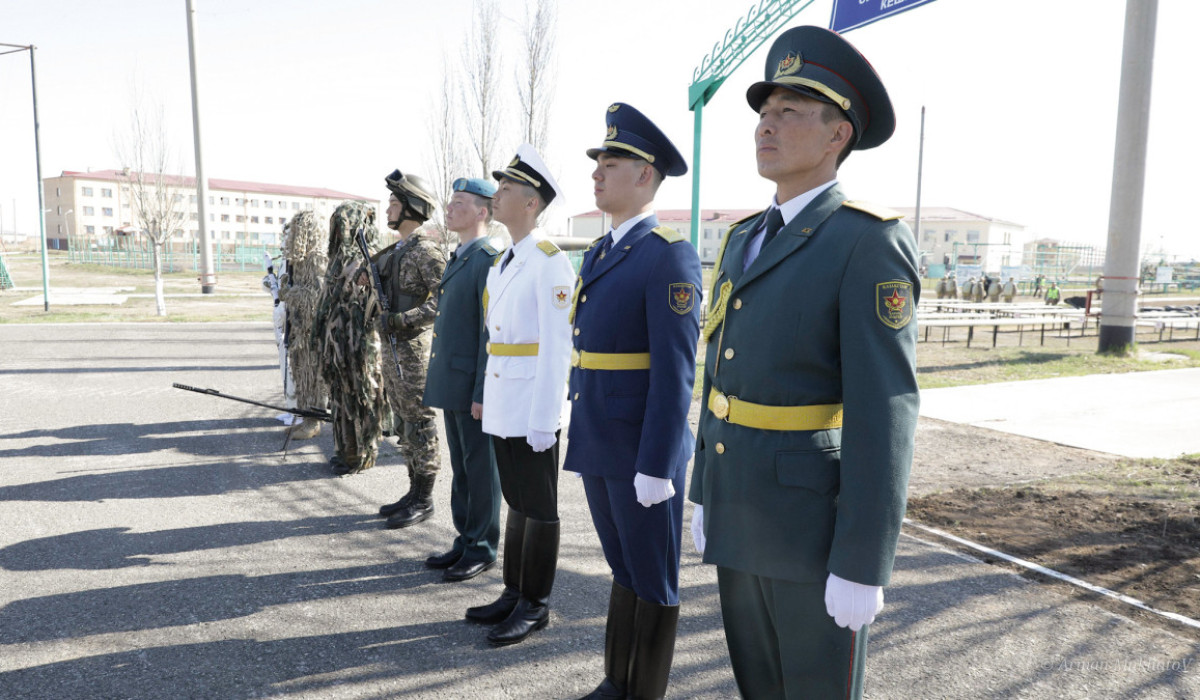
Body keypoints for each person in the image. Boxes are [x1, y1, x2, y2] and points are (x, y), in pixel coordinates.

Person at [689, 26, 920, 699]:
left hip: (811, 528)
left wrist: (863, 559)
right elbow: (720, 374)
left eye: (789, 111)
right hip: (739, 508)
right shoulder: (743, 238)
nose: (766, 125)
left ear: (837, 135)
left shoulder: (867, 241)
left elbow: (885, 408)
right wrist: (705, 489)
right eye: (764, 111)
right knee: (758, 686)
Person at [566, 103, 701, 700]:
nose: (597, 173)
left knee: (653, 578)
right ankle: (617, 682)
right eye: (598, 162)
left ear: (646, 175)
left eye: (611, 163)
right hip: (601, 436)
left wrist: (658, 463)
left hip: (641, 449)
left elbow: (675, 371)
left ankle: (643, 691)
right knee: (623, 570)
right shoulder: (602, 250)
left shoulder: (667, 253)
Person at [465, 144, 575, 646]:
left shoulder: (549, 262)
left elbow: (556, 348)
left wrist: (546, 417)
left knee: (540, 505)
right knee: (517, 502)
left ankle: (536, 604)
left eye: (507, 187)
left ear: (532, 202)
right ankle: (513, 591)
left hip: (532, 404)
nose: (498, 194)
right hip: (506, 398)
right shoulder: (506, 260)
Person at [421, 177, 503, 581]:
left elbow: (490, 333)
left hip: (472, 385)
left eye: (459, 203)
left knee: (481, 471)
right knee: (463, 469)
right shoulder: (461, 256)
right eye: (450, 202)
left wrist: (483, 391)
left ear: (482, 212)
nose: (449, 209)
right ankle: (466, 539)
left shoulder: (487, 259)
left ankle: (483, 546)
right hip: (454, 382)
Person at [373, 170, 447, 529]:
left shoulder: (426, 251)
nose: (388, 208)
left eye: (394, 202)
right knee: (404, 422)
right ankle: (412, 489)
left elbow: (445, 300)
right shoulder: (396, 251)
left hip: (414, 353)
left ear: (411, 208)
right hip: (393, 351)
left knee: (420, 423)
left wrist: (404, 319)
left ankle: (424, 499)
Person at [312, 201, 389, 475]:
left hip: (360, 343)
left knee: (362, 397)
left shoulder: (369, 258)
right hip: (338, 342)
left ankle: (362, 454)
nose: (338, 231)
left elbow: (370, 301)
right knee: (341, 397)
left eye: (343, 224)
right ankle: (345, 451)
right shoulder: (337, 259)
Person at [278, 211, 330, 440]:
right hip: (299, 327)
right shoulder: (298, 260)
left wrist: (291, 293)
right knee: (301, 375)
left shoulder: (317, 258)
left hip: (311, 330)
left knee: (312, 376)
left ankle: (313, 421)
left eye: (298, 229)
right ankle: (304, 417)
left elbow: (316, 294)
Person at [262, 231, 297, 422]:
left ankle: (298, 411)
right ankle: (290, 407)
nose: (282, 241)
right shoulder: (284, 259)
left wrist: (283, 307)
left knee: (291, 366)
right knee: (283, 364)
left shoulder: (296, 260)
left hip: (289, 317)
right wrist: (269, 283)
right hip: (280, 314)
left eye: (286, 236)